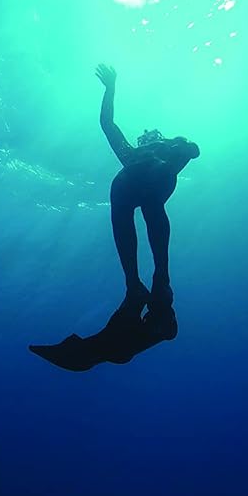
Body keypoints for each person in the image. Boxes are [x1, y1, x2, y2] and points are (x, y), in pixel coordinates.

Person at [94, 63, 200, 313]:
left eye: (150, 135)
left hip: (146, 177)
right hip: (134, 181)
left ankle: (153, 280)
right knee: (135, 204)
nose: (145, 136)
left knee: (147, 203)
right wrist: (111, 87)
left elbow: (194, 150)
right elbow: (107, 124)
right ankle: (138, 283)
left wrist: (179, 146)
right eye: (144, 137)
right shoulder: (133, 154)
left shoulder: (158, 149)